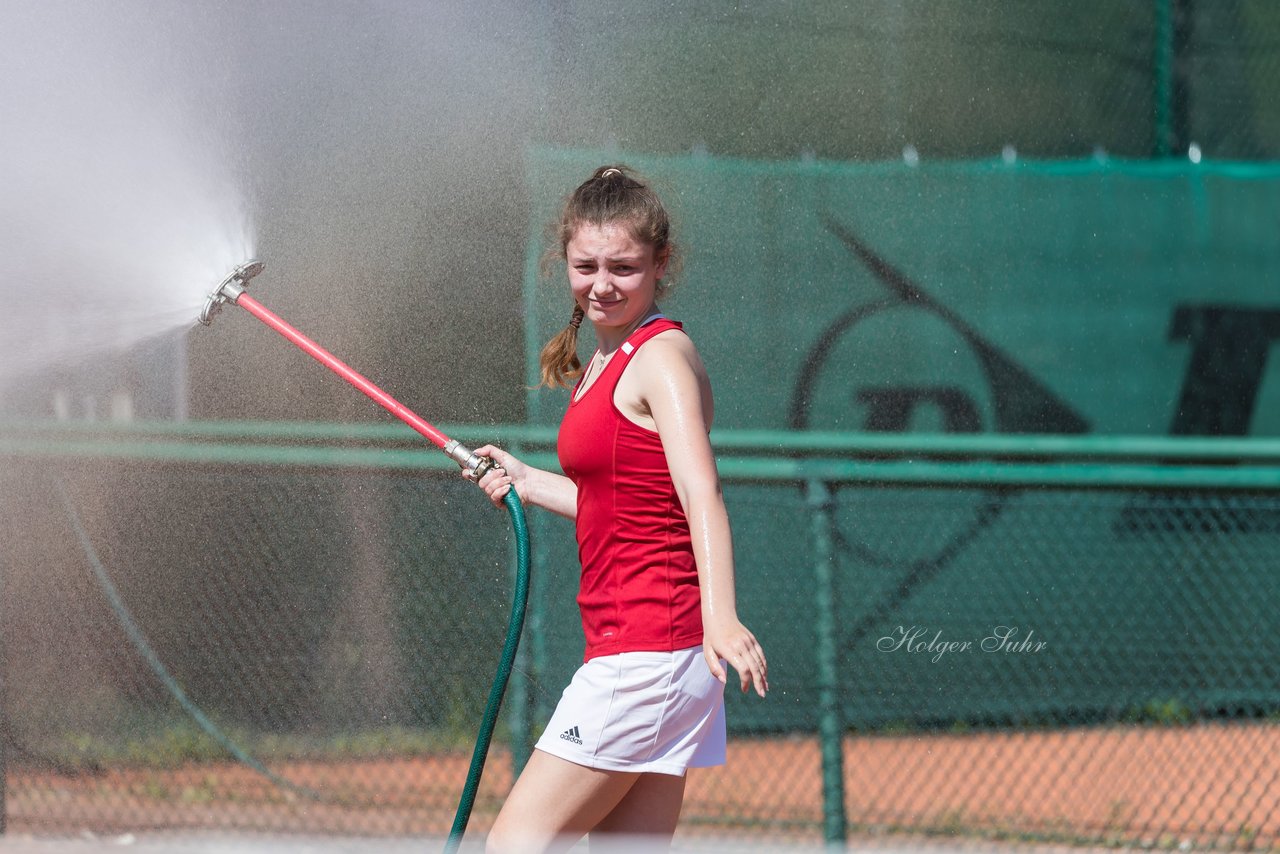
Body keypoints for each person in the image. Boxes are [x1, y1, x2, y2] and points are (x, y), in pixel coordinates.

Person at [470, 165, 767, 854]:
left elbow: (700, 492)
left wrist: (721, 619)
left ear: (661, 264)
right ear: (563, 263)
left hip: (650, 654)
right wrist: (523, 478)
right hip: (653, 655)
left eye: (624, 267)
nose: (602, 283)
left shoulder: (660, 356)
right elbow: (620, 504)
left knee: (514, 846)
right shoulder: (603, 361)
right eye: (586, 266)